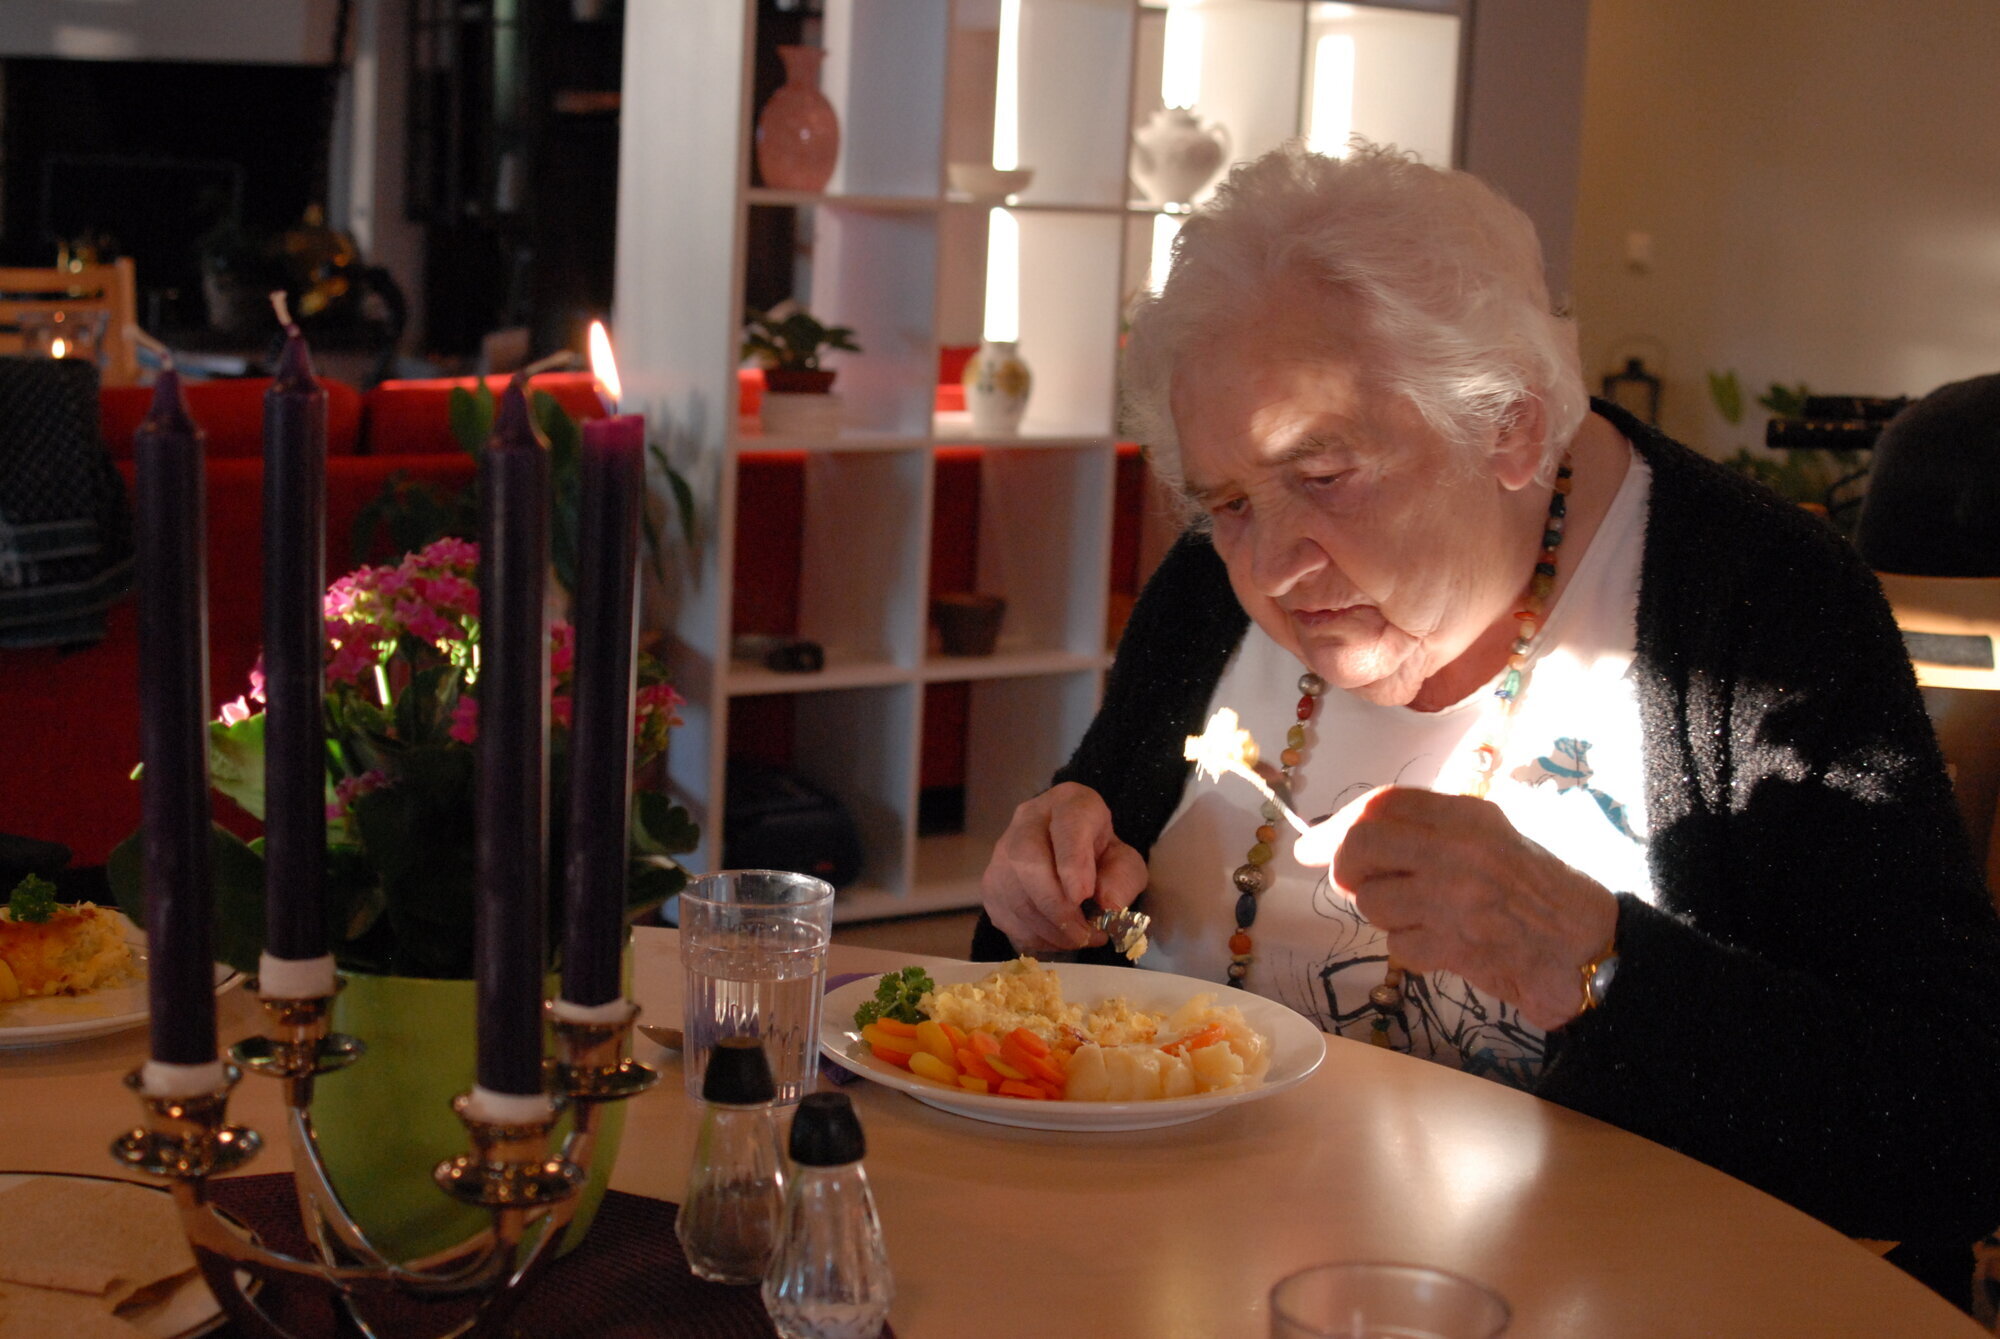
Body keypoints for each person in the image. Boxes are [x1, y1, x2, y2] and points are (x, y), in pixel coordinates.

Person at [974, 141, 2000, 1288]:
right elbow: (1067, 967)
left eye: (1321, 476)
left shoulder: (1760, 609)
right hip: (1202, 1272)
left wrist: (1598, 967)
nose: (1268, 564)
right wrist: (1042, 912)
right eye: (1225, 501)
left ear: (1508, 428)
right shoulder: (1207, 593)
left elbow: (1949, 1132)